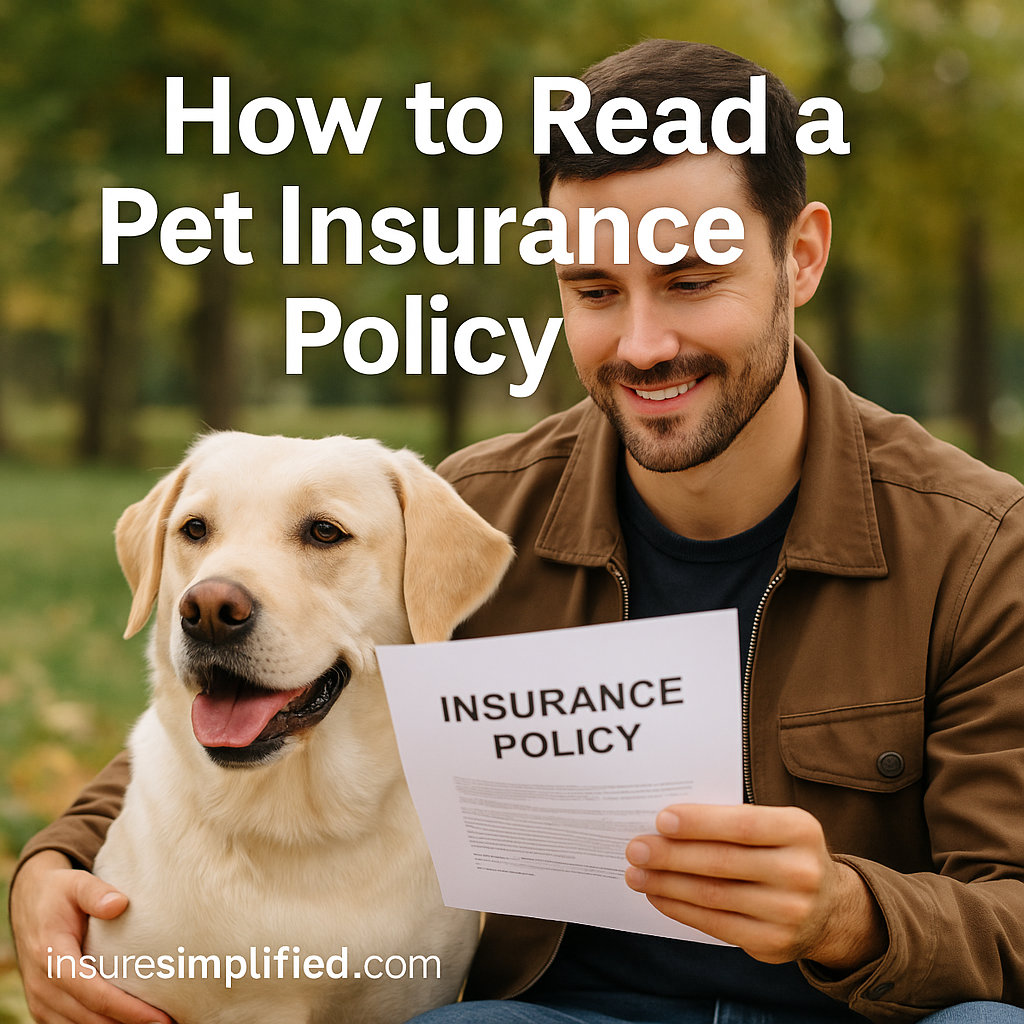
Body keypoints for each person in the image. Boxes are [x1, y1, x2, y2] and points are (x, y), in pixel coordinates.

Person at [9, 38, 1024, 1024]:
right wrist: (55, 860)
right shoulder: (472, 519)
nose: (641, 343)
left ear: (798, 256)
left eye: (689, 281)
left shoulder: (978, 547)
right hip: (567, 1008)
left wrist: (849, 915)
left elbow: (1013, 909)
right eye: (592, 291)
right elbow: (254, 687)